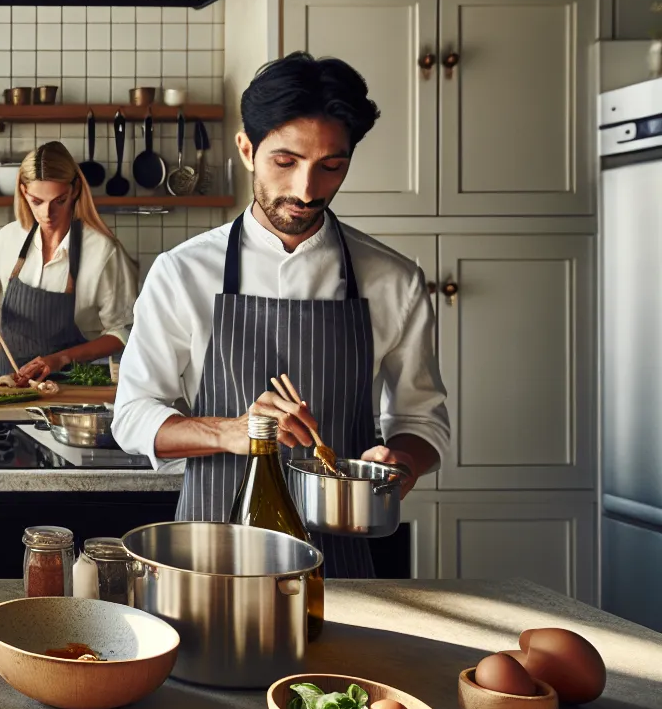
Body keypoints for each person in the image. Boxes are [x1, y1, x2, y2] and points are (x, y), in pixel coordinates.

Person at [111, 52, 450, 578]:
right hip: (211, 556)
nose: (306, 190)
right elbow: (133, 416)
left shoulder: (393, 279)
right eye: (285, 162)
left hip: (337, 559)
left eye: (331, 166)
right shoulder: (182, 271)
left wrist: (400, 466)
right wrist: (232, 431)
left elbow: (421, 419)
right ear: (247, 150)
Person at [0, 140, 138, 385]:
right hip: (10, 386)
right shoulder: (8, 238)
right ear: (23, 191)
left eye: (59, 201)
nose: (47, 214)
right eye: (37, 201)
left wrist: (62, 358)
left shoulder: (103, 251)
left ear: (75, 190)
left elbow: (123, 331)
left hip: (74, 389)